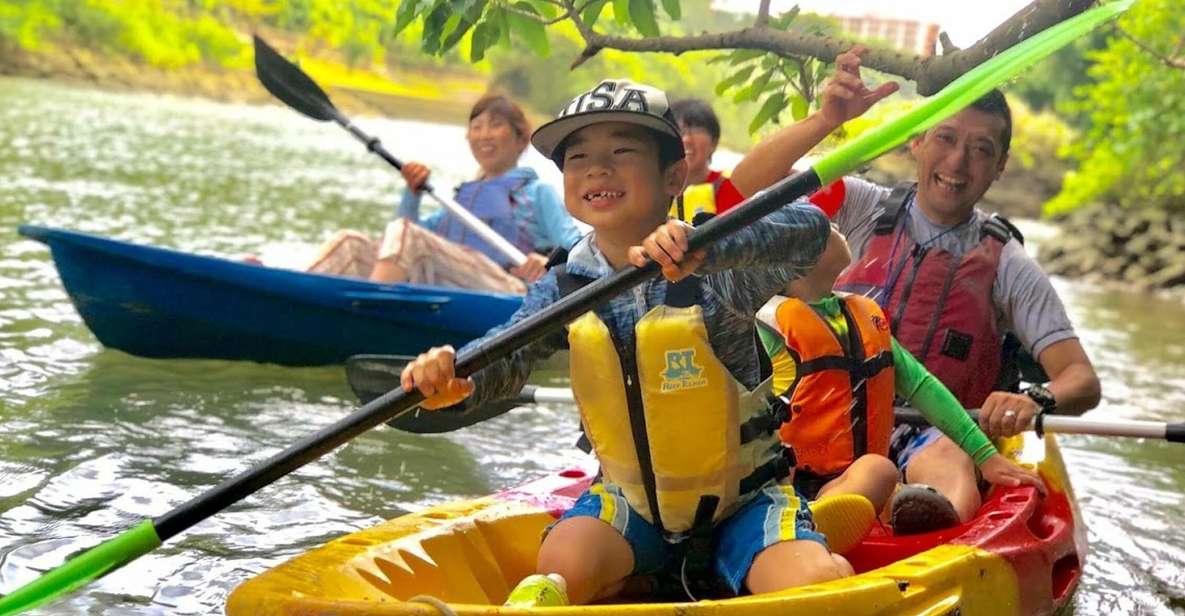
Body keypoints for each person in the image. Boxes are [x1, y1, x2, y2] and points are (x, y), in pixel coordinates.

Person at [399, 77, 875, 607]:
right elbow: (507, 354)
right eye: (577, 158)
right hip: (633, 503)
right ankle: (657, 576)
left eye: (621, 152)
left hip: (745, 502)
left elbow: (811, 231)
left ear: (674, 175)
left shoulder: (718, 261)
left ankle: (805, 546)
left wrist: (710, 247)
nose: (596, 169)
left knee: (810, 589)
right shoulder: (568, 284)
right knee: (562, 564)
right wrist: (456, 375)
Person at [727, 46, 1102, 533]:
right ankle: (831, 513)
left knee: (947, 453)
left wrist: (1037, 400)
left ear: (1001, 165)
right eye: (945, 138)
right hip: (824, 428)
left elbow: (1079, 379)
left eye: (981, 149)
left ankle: (921, 520)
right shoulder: (857, 206)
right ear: (917, 141)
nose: (958, 161)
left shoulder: (1010, 265)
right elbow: (744, 188)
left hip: (938, 431)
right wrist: (824, 121)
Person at [756, 229, 1043, 523]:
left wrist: (985, 456)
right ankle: (809, 526)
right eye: (819, 227)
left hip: (857, 480)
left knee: (883, 477)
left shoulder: (858, 317)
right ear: (792, 262)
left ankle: (921, 522)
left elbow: (923, 388)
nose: (832, 226)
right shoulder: (767, 331)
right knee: (879, 471)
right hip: (795, 484)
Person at [306, 94, 583, 294]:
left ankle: (365, 315)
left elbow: (580, 249)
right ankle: (288, 294)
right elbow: (398, 239)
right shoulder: (458, 202)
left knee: (408, 234)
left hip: (509, 290)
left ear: (521, 138)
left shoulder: (537, 193)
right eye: (476, 127)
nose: (484, 134)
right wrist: (411, 194)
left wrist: (548, 264)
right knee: (350, 242)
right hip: (452, 285)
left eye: (495, 125)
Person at [666, 98, 745, 223]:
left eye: (696, 130)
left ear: (713, 142)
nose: (686, 139)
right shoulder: (655, 192)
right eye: (679, 131)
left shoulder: (729, 188)